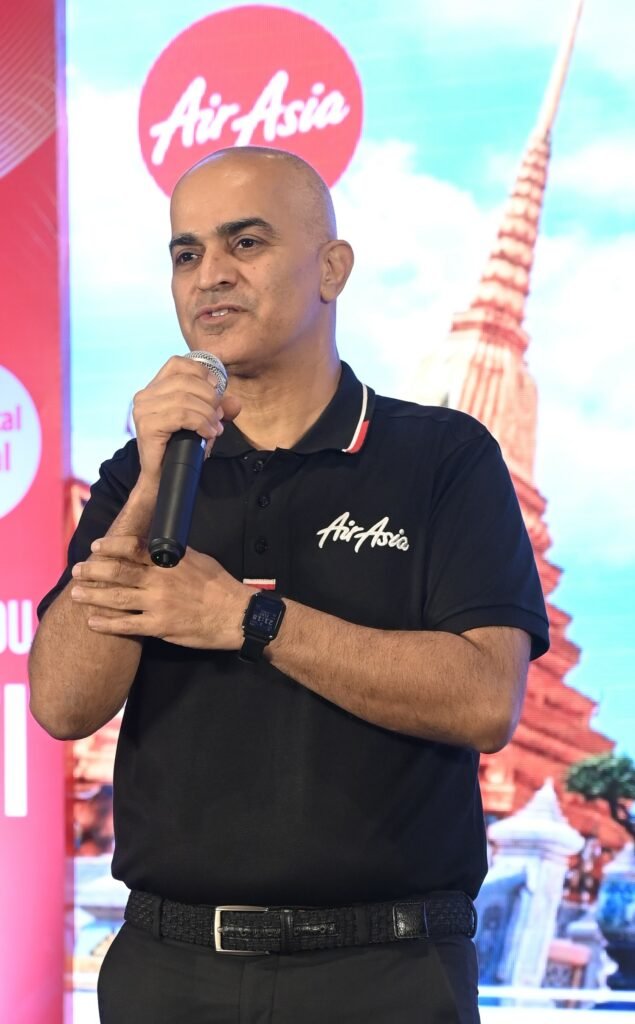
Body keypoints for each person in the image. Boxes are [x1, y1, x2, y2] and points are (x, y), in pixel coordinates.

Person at [30, 146, 549, 1024]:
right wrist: (152, 481)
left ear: (331, 269)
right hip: (169, 968)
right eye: (186, 252)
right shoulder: (143, 475)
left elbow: (483, 700)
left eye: (246, 243)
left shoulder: (441, 457)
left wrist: (248, 617)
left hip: (385, 971)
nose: (211, 275)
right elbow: (62, 704)